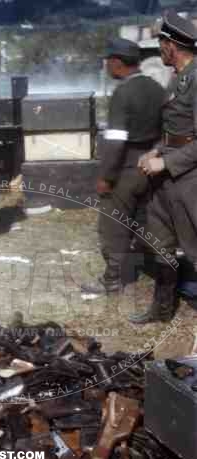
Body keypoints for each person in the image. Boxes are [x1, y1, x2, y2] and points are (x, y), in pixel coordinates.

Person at [82, 38, 165, 295]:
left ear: (117, 62)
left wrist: (106, 176)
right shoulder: (156, 88)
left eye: (108, 61)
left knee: (113, 226)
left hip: (125, 169)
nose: (106, 66)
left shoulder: (123, 93)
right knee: (145, 221)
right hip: (151, 166)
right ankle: (156, 270)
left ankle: (112, 280)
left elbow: (116, 140)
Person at [132, 11, 197, 324]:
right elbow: (175, 129)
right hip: (165, 179)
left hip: (189, 178)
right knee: (161, 244)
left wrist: (166, 162)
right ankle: (161, 310)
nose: (159, 48)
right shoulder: (178, 76)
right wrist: (155, 151)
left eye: (161, 43)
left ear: (172, 45)